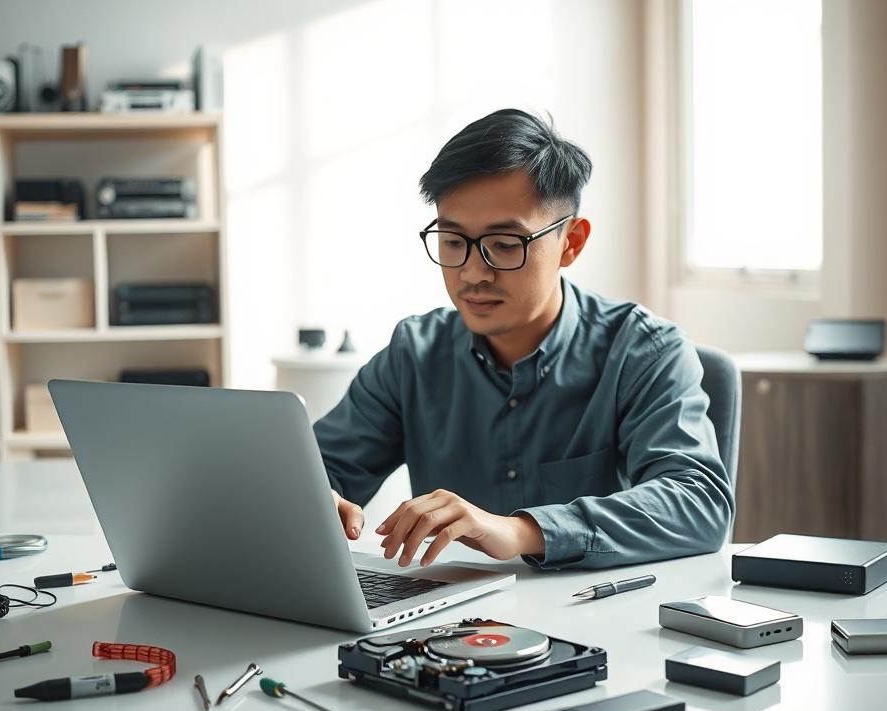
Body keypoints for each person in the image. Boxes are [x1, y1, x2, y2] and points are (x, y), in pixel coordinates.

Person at [313, 108, 733, 571]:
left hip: (600, 619)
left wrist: (520, 532)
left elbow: (698, 504)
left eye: (506, 245)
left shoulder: (644, 351)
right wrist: (313, 497)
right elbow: (315, 468)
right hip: (447, 625)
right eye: (452, 242)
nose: (473, 272)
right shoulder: (413, 353)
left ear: (571, 243)